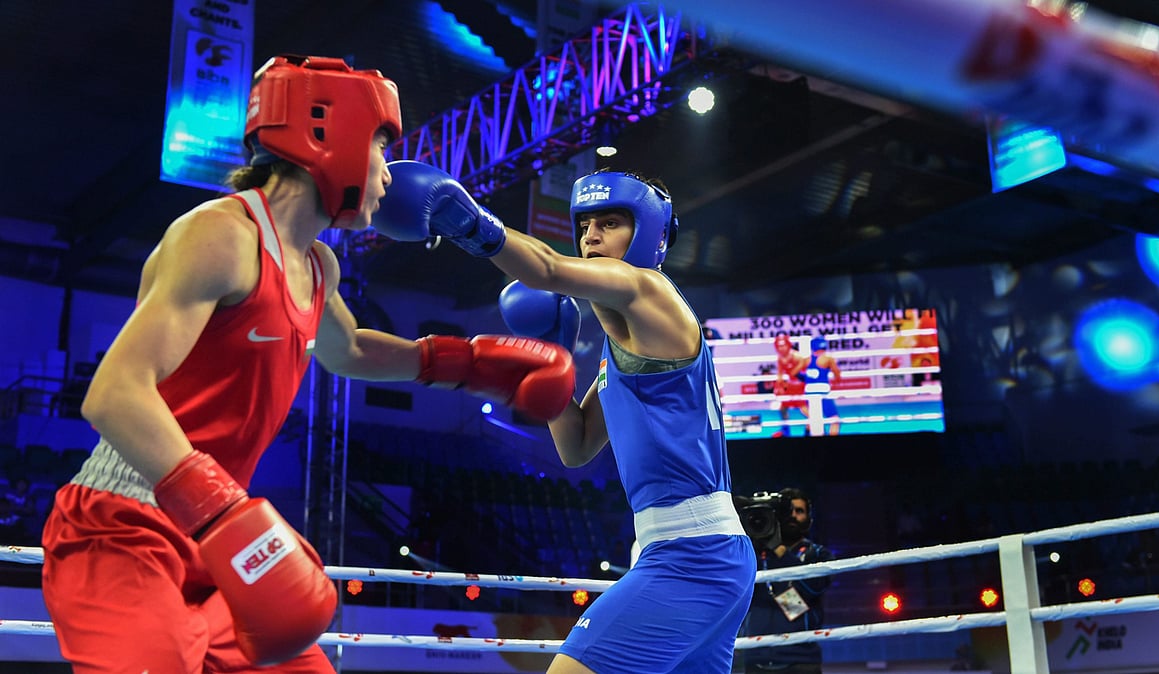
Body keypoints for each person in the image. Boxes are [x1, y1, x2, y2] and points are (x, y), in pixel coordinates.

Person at [39, 54, 575, 673]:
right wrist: (221, 509)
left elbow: (348, 350)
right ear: (331, 136)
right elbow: (113, 393)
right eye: (381, 147)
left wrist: (469, 364)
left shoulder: (319, 263)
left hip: (216, 538)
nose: (389, 177)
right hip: (124, 528)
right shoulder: (221, 236)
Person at [377, 164, 757, 673]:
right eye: (584, 225)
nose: (591, 237)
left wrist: (467, 222)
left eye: (610, 223)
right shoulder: (625, 350)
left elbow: (548, 270)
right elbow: (574, 449)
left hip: (692, 556)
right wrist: (552, 353)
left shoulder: (649, 289)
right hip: (695, 553)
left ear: (650, 235)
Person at [744, 488, 833, 674]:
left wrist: (779, 550)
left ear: (809, 519)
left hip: (800, 659)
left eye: (799, 511)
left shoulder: (817, 554)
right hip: (755, 658)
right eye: (788, 511)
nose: (792, 516)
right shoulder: (755, 554)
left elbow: (810, 592)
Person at [796, 336, 842, 436]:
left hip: (809, 392)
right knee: (835, 420)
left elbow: (795, 373)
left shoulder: (806, 360)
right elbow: (837, 376)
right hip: (822, 391)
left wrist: (806, 379)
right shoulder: (828, 359)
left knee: (813, 421)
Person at [772, 332, 806, 438]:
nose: (781, 348)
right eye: (779, 346)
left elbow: (799, 373)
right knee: (782, 406)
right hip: (791, 386)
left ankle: (815, 427)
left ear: (788, 344)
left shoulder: (797, 356)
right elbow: (780, 375)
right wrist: (778, 387)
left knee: (803, 408)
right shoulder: (780, 358)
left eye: (783, 345)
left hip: (801, 385)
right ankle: (786, 431)